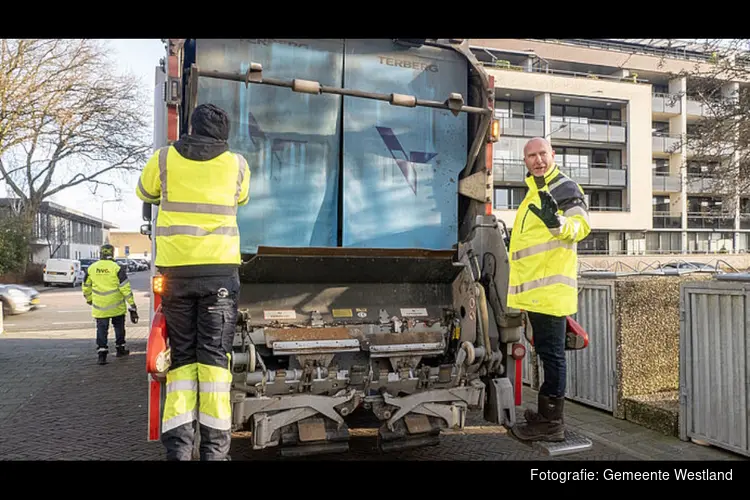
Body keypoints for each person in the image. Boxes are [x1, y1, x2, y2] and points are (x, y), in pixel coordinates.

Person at [136, 103, 251, 461]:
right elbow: (242, 198)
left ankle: (179, 452)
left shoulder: (165, 158)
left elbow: (144, 192)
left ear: (190, 127)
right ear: (224, 134)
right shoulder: (237, 164)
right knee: (215, 365)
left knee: (182, 363)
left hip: (176, 276)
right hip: (219, 275)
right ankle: (215, 454)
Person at [506, 137, 590, 442]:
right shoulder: (534, 191)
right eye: (531, 156)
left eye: (543, 154)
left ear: (552, 155)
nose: (538, 160)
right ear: (525, 161)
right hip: (537, 292)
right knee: (546, 353)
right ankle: (545, 414)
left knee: (553, 357)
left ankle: (552, 424)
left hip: (550, 292)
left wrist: (556, 223)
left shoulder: (563, 187)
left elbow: (579, 227)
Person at [82, 243, 138, 365]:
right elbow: (125, 288)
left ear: (101, 253)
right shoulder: (117, 268)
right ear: (112, 254)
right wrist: (132, 305)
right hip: (117, 306)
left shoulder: (92, 268)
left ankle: (102, 355)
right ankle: (120, 349)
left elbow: (86, 287)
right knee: (119, 328)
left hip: (100, 307)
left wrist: (89, 299)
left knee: (101, 330)